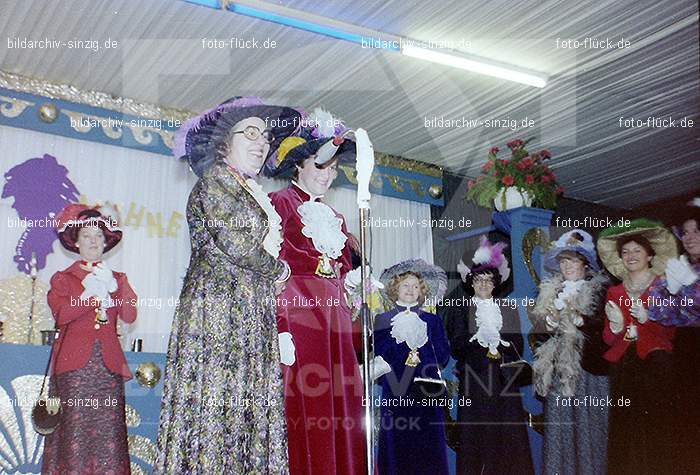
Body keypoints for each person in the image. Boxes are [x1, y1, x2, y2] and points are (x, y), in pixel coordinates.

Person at [154, 97, 301, 474]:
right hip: (217, 312)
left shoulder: (246, 188)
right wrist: (281, 270)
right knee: (218, 407)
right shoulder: (216, 182)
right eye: (250, 133)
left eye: (265, 136)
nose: (261, 142)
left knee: (246, 410)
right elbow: (237, 244)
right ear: (224, 143)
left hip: (250, 309)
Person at [264, 109, 367, 474]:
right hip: (300, 321)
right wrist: (279, 327)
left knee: (342, 405)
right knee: (307, 408)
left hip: (335, 325)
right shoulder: (278, 204)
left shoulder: (337, 219)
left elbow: (341, 273)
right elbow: (268, 270)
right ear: (298, 166)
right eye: (321, 166)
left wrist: (355, 286)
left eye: (334, 170)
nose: (329, 175)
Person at [42, 203, 137, 474]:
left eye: (98, 236)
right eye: (87, 236)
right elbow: (61, 314)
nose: (93, 241)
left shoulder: (118, 278)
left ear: (106, 242)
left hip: (107, 370)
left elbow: (130, 315)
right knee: (75, 434)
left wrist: (115, 288)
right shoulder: (63, 278)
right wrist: (89, 296)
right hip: (74, 370)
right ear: (76, 242)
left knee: (109, 434)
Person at [597, 218, 679, 475]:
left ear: (649, 254)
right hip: (624, 367)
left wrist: (648, 318)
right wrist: (615, 326)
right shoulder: (615, 292)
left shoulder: (662, 287)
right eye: (625, 252)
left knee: (655, 427)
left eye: (636, 250)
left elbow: (672, 332)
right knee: (625, 430)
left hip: (655, 365)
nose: (630, 256)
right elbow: (609, 340)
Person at [448, 237, 533, 475]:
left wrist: (499, 341)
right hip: (474, 382)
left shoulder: (508, 308)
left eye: (488, 279)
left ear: (496, 283)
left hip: (504, 382)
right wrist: (477, 340)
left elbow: (518, 344)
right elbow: (456, 346)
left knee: (508, 439)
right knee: (475, 438)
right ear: (471, 282)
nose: (483, 284)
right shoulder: (460, 309)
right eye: (478, 279)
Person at [530, 230, 609, 475]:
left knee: (590, 431)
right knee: (559, 430)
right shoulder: (549, 293)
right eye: (563, 261)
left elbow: (606, 330)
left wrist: (582, 320)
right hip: (558, 373)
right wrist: (548, 326)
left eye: (573, 260)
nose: (567, 266)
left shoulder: (599, 291)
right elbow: (538, 336)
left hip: (589, 371)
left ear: (585, 264)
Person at [373, 259, 450, 475]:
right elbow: (381, 352)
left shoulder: (432, 320)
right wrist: (404, 343)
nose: (411, 290)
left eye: (416, 286)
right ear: (395, 287)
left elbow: (443, 355)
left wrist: (422, 346)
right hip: (397, 390)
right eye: (406, 285)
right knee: (398, 444)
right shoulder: (383, 319)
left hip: (426, 389)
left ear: (422, 291)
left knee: (428, 445)